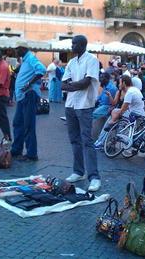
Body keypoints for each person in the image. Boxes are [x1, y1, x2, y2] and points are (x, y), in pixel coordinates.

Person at [62, 35, 101, 192]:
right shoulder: (71, 62)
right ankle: (78, 171)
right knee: (74, 140)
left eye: (74, 44)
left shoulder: (91, 60)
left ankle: (94, 177)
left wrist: (71, 85)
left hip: (85, 105)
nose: (72, 46)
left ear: (83, 45)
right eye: (72, 44)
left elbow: (87, 83)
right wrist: (73, 85)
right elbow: (62, 85)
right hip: (70, 104)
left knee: (87, 141)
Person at [10, 40, 45, 162]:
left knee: (28, 125)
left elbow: (41, 69)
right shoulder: (25, 60)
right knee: (18, 123)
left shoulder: (30, 57)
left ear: (23, 49)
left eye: (17, 49)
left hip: (29, 95)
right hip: (22, 96)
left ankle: (31, 154)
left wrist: (29, 83)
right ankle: (16, 149)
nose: (15, 51)